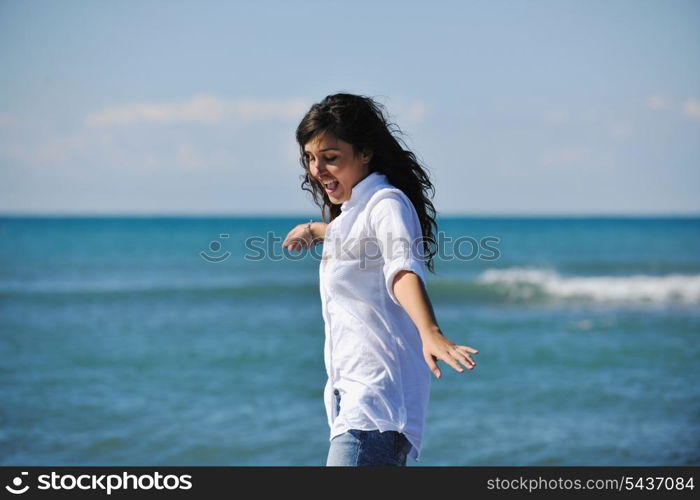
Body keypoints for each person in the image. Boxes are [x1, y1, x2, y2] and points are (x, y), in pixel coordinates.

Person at [283, 93, 479, 466]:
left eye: (330, 158)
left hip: (375, 408)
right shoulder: (356, 213)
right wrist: (316, 229)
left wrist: (429, 330)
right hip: (355, 405)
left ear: (365, 153)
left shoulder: (386, 204)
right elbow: (356, 240)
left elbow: (401, 268)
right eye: (310, 158)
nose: (317, 169)